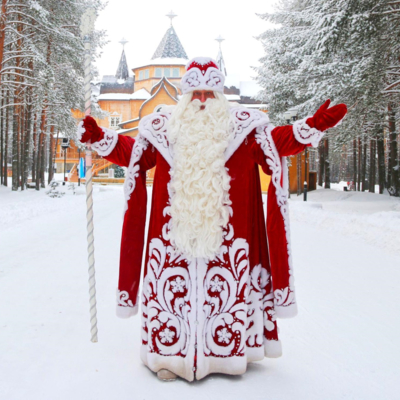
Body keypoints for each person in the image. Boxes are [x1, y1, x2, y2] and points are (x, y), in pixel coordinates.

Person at [78, 57, 347, 382]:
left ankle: (226, 358)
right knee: (172, 295)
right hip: (172, 239)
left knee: (224, 294)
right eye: (196, 93)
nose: (202, 100)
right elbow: (133, 152)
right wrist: (99, 137)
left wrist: (312, 126)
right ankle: (168, 357)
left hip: (227, 240)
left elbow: (278, 142)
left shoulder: (244, 129)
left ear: (220, 95)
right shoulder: (163, 129)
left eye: (209, 93)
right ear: (185, 96)